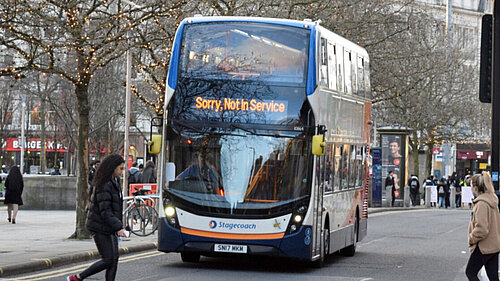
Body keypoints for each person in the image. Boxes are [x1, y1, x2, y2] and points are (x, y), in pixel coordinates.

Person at [67, 154, 127, 281]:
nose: (122, 172)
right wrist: (118, 227)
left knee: (114, 259)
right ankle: (77, 277)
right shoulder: (104, 184)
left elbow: (114, 207)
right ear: (112, 168)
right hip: (99, 226)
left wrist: (119, 225)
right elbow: (105, 210)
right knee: (108, 259)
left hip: (108, 226)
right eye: (120, 169)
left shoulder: (114, 181)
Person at [465, 172, 500, 281]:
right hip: (494, 245)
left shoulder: (481, 204)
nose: (470, 189)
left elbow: (482, 229)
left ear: (476, 188)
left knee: (470, 272)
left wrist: (471, 238)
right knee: (493, 277)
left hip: (483, 246)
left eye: (471, 186)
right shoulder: (492, 202)